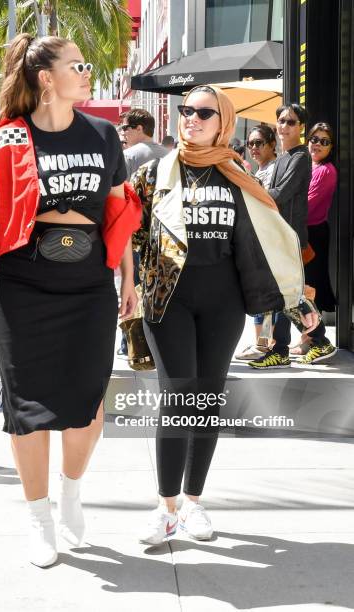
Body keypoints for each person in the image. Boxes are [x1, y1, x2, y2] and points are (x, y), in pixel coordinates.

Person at [0, 33, 140, 568]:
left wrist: (127, 279)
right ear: (46, 79)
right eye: (77, 66)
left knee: (87, 403)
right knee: (28, 409)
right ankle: (38, 517)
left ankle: (70, 491)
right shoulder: (8, 140)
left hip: (87, 284)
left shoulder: (105, 135)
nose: (87, 73)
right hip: (22, 285)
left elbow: (118, 214)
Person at [132, 85, 319, 546]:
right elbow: (129, 235)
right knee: (177, 398)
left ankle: (193, 502)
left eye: (203, 112)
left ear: (224, 121)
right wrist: (126, 290)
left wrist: (298, 302)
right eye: (186, 111)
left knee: (207, 399)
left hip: (223, 304)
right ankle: (166, 507)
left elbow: (267, 246)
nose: (191, 118)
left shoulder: (239, 176)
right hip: (167, 302)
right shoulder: (154, 174)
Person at [249, 104, 335, 368]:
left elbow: (279, 195)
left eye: (291, 122)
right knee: (285, 296)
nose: (284, 125)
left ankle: (316, 343)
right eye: (281, 121)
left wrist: (249, 192)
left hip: (290, 238)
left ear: (301, 128)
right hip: (278, 237)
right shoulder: (283, 158)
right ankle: (288, 348)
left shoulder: (299, 157)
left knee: (289, 296)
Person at [117, 108, 167, 357]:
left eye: (125, 127)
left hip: (135, 235)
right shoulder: (170, 155)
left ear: (139, 128)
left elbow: (118, 198)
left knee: (132, 289)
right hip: (163, 237)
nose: (122, 132)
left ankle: (132, 344)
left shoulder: (128, 156)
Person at [291, 122, 338, 363]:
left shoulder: (326, 171)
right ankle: (308, 337)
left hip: (313, 234)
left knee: (308, 289)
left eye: (324, 141)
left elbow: (305, 208)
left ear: (331, 147)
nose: (317, 144)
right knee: (302, 287)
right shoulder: (307, 165)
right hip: (301, 232)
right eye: (314, 139)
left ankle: (310, 340)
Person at [235, 125, 278, 360]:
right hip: (256, 240)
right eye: (250, 143)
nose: (253, 148)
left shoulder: (273, 169)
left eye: (259, 143)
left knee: (267, 297)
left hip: (269, 241)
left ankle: (265, 345)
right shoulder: (259, 170)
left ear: (272, 144)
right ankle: (260, 343)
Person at [121, 109, 168, 179]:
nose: (123, 133)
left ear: (139, 128)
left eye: (125, 128)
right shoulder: (168, 154)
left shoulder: (127, 155)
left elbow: (121, 188)